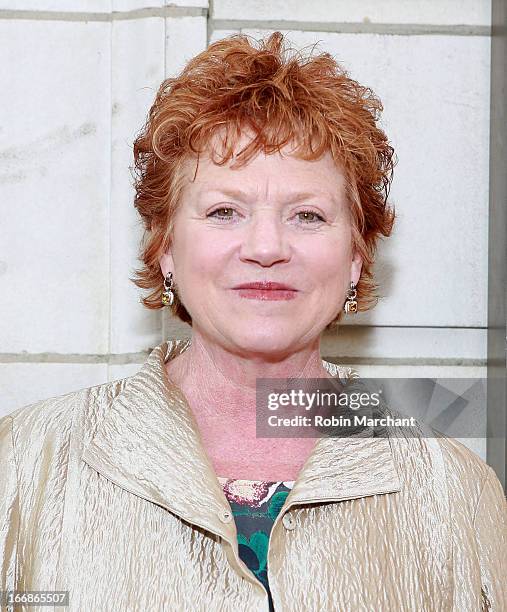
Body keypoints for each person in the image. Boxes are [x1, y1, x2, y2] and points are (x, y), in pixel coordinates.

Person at [1, 31, 506, 612]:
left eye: (308, 215)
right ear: (165, 246)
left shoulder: (456, 493)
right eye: (224, 211)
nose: (266, 246)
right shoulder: (24, 465)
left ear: (356, 256)